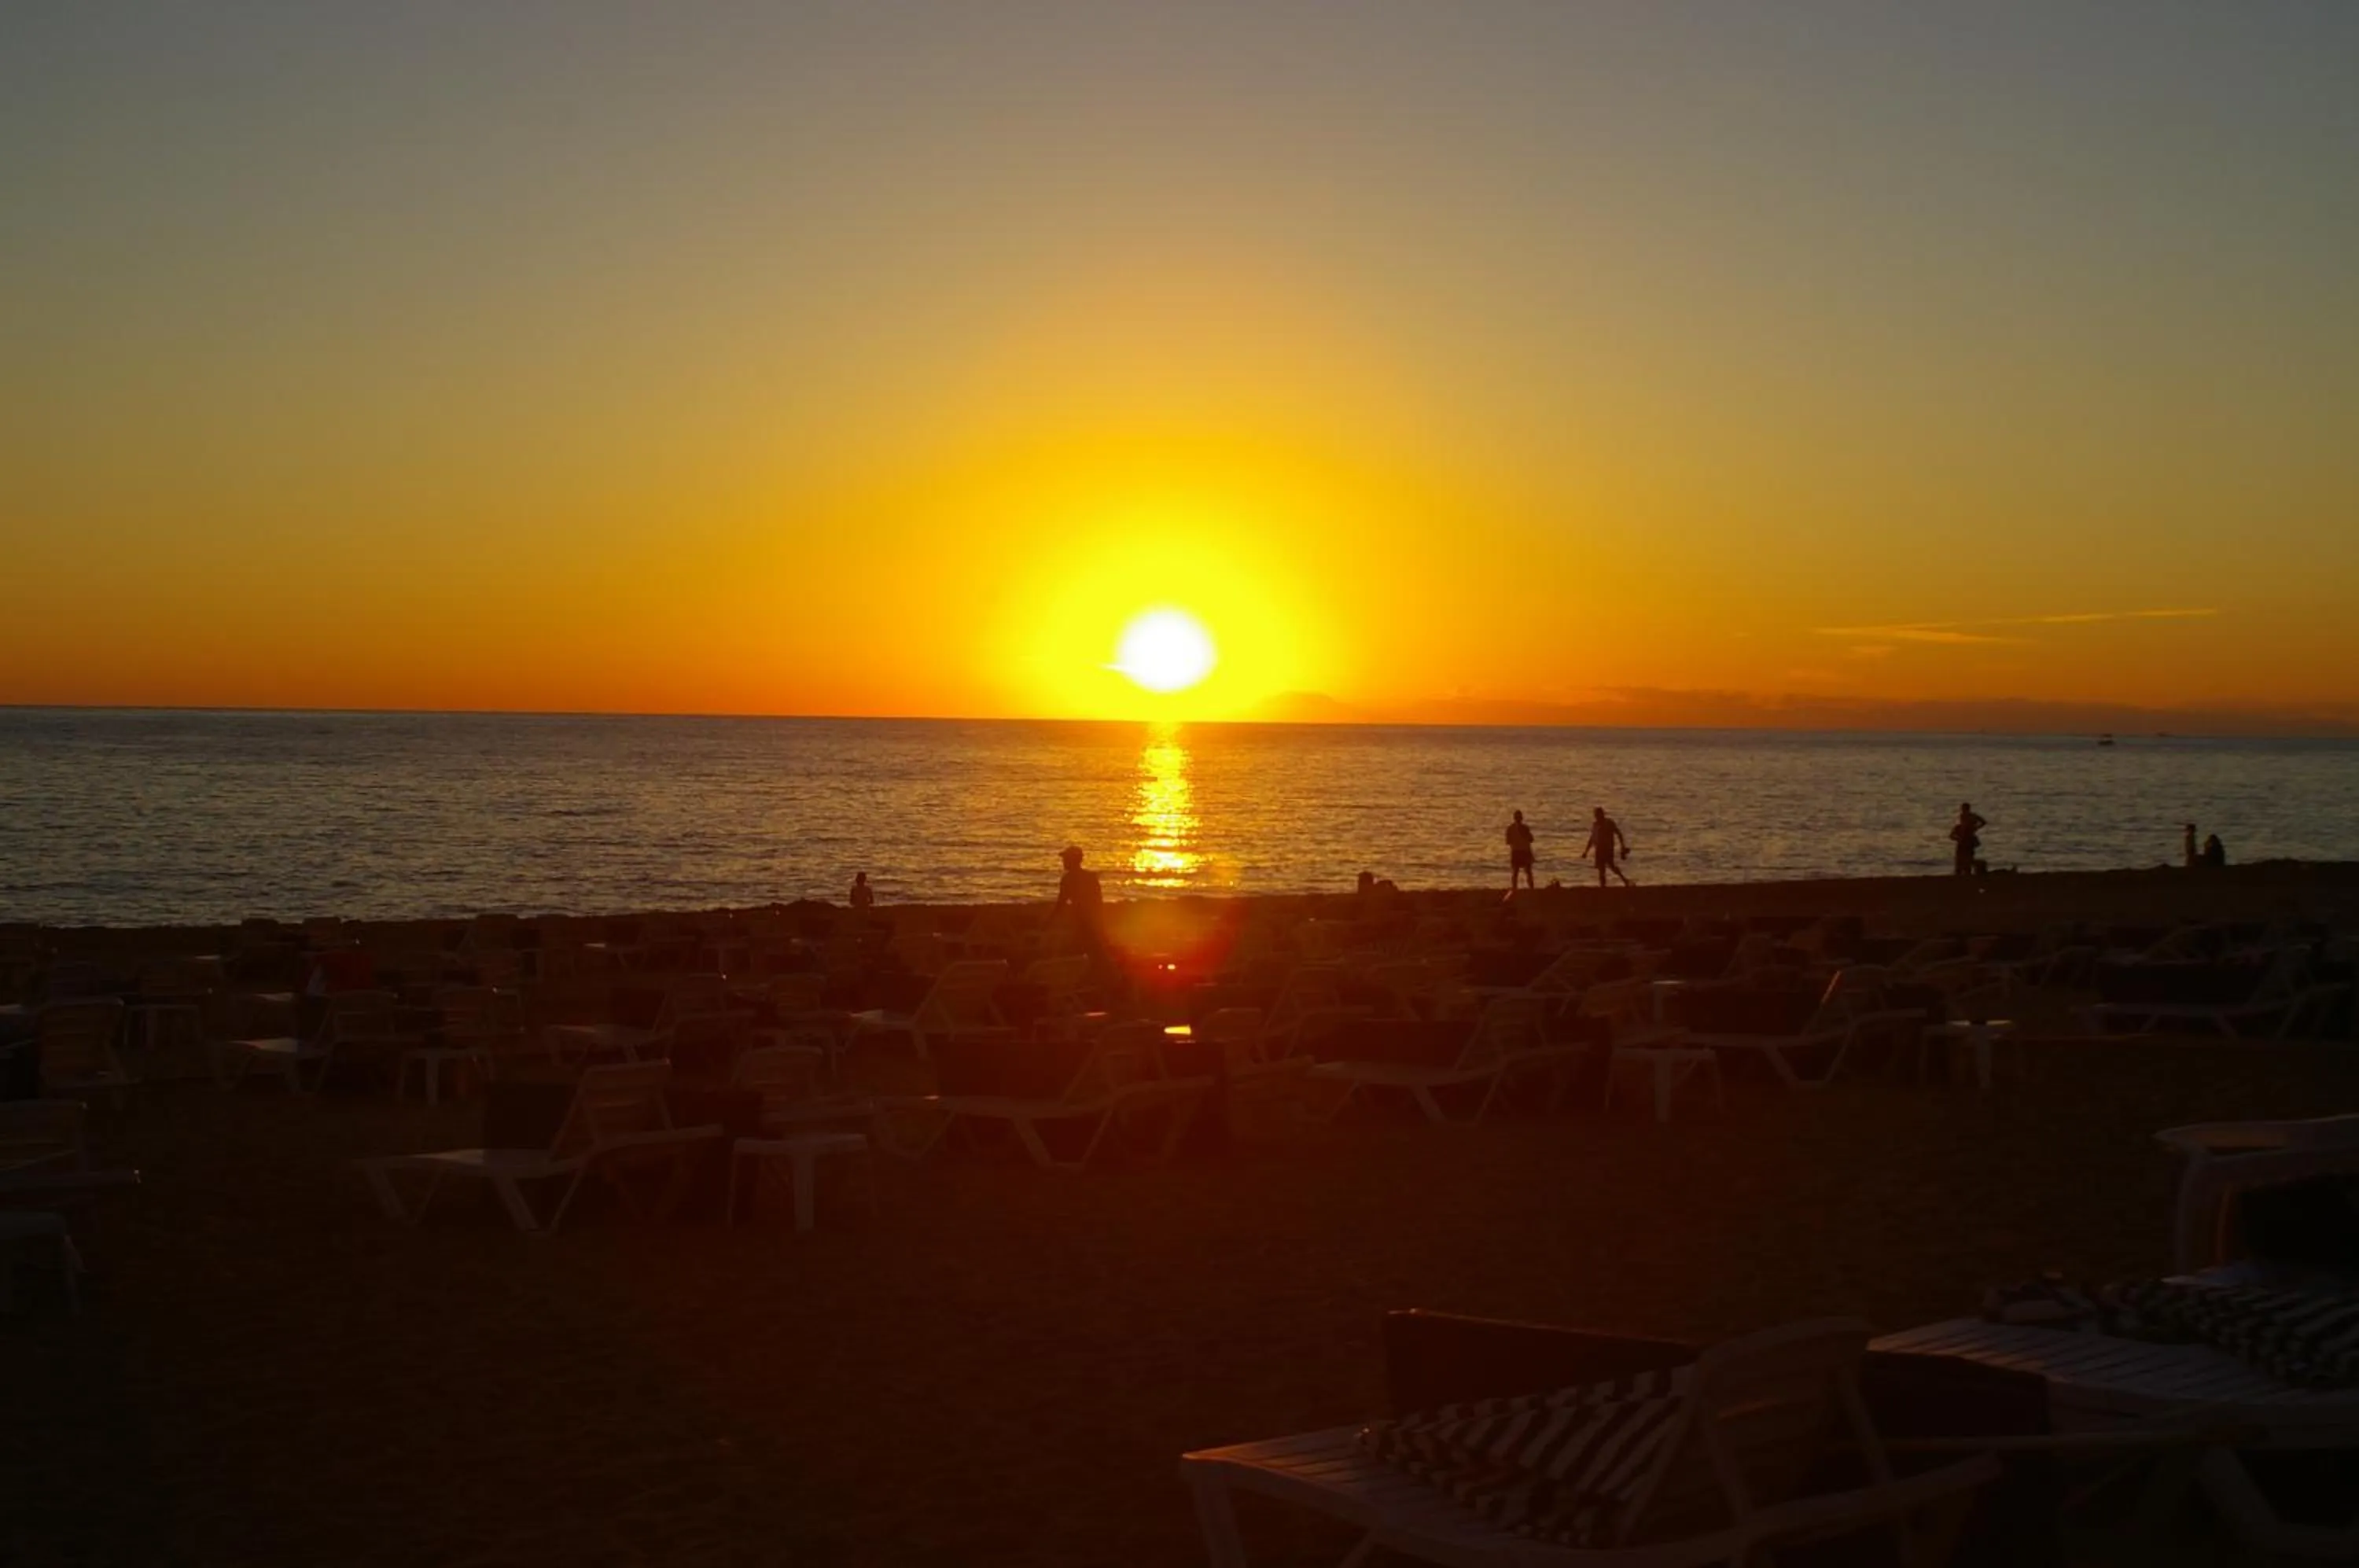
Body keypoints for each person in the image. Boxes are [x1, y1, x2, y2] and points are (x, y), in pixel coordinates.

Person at [1579, 806, 1632, 888]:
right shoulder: (1595, 825)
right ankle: (1603, 887)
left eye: (1598, 815)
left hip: (1608, 849)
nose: (1597, 817)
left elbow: (1618, 833)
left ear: (1602, 814)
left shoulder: (1609, 823)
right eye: (1596, 815)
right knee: (1601, 869)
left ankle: (1624, 880)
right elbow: (1592, 839)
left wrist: (1622, 846)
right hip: (1599, 849)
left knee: (1611, 866)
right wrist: (1586, 851)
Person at [1949, 802, 1987, 878]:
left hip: (1968, 842)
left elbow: (1983, 822)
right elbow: (1951, 836)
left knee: (1968, 859)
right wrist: (1958, 838)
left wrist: (1976, 827)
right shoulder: (1959, 825)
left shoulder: (1971, 818)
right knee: (1959, 860)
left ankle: (1967, 874)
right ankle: (1959, 873)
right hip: (1962, 841)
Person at [1505, 810, 1536, 891]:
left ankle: (1515, 888)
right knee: (1526, 872)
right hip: (1523, 851)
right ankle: (1530, 888)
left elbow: (1508, 842)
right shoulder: (1524, 828)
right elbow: (1531, 839)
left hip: (1518, 851)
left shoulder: (1511, 828)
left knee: (1517, 872)